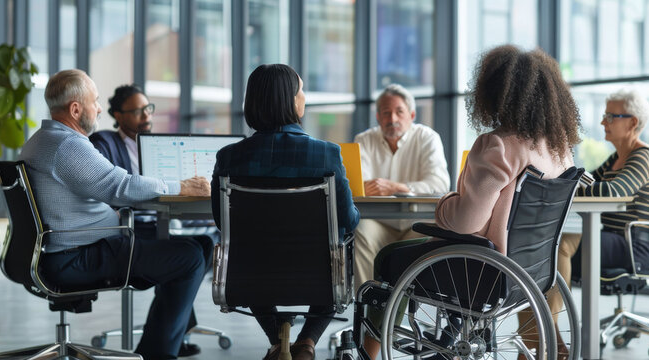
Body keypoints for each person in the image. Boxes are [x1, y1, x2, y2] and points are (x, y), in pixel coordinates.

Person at [362, 45, 582, 359]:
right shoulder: (560, 150)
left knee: (388, 258)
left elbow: (466, 223)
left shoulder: (497, 144)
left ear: (493, 93)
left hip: (482, 272)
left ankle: (370, 353)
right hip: (532, 272)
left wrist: (446, 202)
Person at [19, 69, 212, 360]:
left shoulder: (41, 139)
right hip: (76, 255)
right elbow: (119, 186)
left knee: (202, 246)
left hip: (68, 250)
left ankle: (161, 344)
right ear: (75, 109)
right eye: (95, 101)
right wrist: (181, 186)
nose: (98, 108)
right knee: (190, 257)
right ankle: (158, 354)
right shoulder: (67, 145)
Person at [210, 64, 360, 360]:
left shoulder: (228, 157)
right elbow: (348, 220)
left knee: (249, 253)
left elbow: (222, 223)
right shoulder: (326, 153)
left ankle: (279, 341)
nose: (304, 96)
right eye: (301, 90)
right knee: (344, 248)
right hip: (318, 277)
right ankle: (306, 342)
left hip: (250, 277)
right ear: (290, 100)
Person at [88, 84, 210, 357]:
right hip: (132, 225)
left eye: (148, 108)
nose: (146, 116)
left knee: (204, 244)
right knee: (188, 255)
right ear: (118, 115)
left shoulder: (157, 145)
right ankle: (164, 343)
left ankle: (171, 333)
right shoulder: (105, 143)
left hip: (159, 220)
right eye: (136, 111)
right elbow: (115, 191)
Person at [554, 87, 649, 311]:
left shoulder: (643, 157)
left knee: (561, 244)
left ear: (632, 123)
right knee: (549, 244)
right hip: (611, 239)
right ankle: (546, 330)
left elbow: (614, 191)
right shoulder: (616, 158)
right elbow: (585, 182)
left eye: (610, 117)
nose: (604, 123)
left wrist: (571, 188)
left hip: (634, 245)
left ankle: (552, 330)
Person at [352, 83, 450, 291]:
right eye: (386, 113)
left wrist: (396, 187)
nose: (392, 119)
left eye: (399, 112)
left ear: (412, 114)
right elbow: (360, 185)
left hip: (416, 224)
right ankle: (368, 300)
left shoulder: (427, 138)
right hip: (378, 223)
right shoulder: (363, 140)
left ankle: (402, 303)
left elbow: (440, 183)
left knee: (433, 237)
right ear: (378, 117)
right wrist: (367, 187)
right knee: (359, 229)